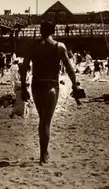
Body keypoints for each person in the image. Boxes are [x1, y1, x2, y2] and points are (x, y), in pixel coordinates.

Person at [21, 21, 79, 165]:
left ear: (40, 30)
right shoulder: (59, 47)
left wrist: (23, 87)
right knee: (46, 122)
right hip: (51, 85)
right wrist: (75, 87)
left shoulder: (33, 45)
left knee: (42, 120)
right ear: (54, 30)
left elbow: (24, 67)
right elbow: (70, 69)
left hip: (37, 84)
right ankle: (43, 155)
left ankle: (43, 152)